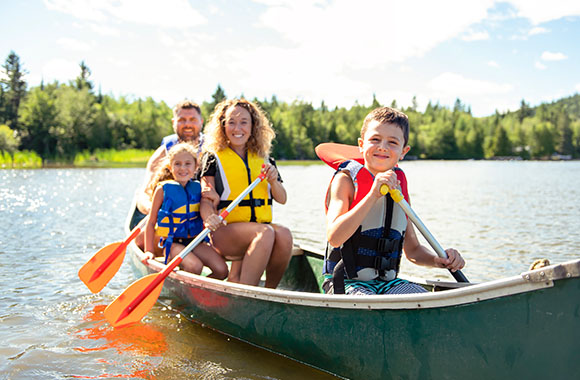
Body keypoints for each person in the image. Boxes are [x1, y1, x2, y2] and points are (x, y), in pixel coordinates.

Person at [324, 106, 465, 295]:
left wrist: (437, 260)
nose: (382, 147)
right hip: (344, 281)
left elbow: (413, 251)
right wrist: (373, 194)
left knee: (425, 300)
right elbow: (335, 237)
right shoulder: (346, 181)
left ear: (403, 151)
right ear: (361, 144)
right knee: (371, 305)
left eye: (392, 142)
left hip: (386, 285)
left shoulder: (398, 187)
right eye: (375, 139)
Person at [199, 98, 293, 287]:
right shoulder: (212, 158)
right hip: (225, 232)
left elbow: (282, 198)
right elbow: (206, 197)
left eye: (244, 122)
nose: (237, 128)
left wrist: (273, 181)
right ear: (223, 125)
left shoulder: (265, 159)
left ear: (253, 126)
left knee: (284, 234)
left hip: (257, 229)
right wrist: (209, 217)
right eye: (231, 122)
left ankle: (270, 292)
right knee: (265, 232)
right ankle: (248, 292)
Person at [145, 142, 228, 279]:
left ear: (196, 167)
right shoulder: (162, 189)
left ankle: (200, 292)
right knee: (195, 266)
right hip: (172, 243)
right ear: (170, 167)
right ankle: (186, 293)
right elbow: (151, 222)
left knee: (222, 270)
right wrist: (149, 251)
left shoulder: (198, 188)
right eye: (177, 164)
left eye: (187, 164)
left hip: (195, 241)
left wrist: (216, 200)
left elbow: (210, 213)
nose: (182, 168)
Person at [136, 100, 204, 215]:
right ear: (173, 123)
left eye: (193, 120)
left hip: (202, 211)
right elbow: (145, 192)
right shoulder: (163, 152)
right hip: (170, 213)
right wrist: (152, 211)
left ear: (201, 122)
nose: (187, 124)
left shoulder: (211, 148)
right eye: (182, 120)